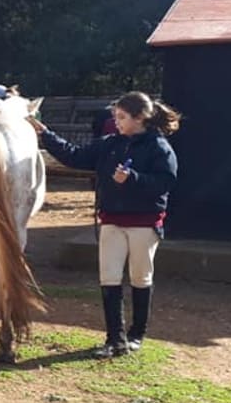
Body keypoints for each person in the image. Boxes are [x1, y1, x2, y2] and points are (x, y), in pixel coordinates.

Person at [27, 91, 181, 358]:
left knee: (140, 278)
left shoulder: (159, 148)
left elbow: (165, 183)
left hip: (144, 224)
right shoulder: (109, 143)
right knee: (109, 278)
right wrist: (45, 134)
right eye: (116, 116)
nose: (116, 122)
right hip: (111, 220)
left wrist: (132, 178)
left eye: (122, 117)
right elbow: (74, 156)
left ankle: (136, 334)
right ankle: (114, 339)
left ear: (140, 118)